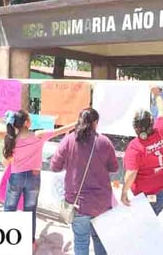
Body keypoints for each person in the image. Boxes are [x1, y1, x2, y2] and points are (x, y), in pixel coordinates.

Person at [2, 110, 75, 249]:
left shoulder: (11, 139)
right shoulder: (38, 135)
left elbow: (5, 163)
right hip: (33, 178)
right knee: (30, 210)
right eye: (29, 119)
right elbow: (61, 130)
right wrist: (78, 122)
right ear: (26, 123)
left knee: (9, 209)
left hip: (16, 177)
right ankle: (30, 243)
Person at [50, 108, 119, 255]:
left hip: (77, 203)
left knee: (81, 242)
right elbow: (114, 168)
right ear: (95, 123)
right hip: (102, 202)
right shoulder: (104, 142)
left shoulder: (68, 140)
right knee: (100, 239)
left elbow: (54, 166)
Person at [121, 95, 163, 216]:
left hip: (148, 197)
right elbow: (161, 109)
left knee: (144, 228)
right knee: (149, 224)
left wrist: (124, 192)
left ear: (135, 127)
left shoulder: (135, 147)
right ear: (152, 122)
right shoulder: (160, 130)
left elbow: (131, 173)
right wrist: (156, 93)